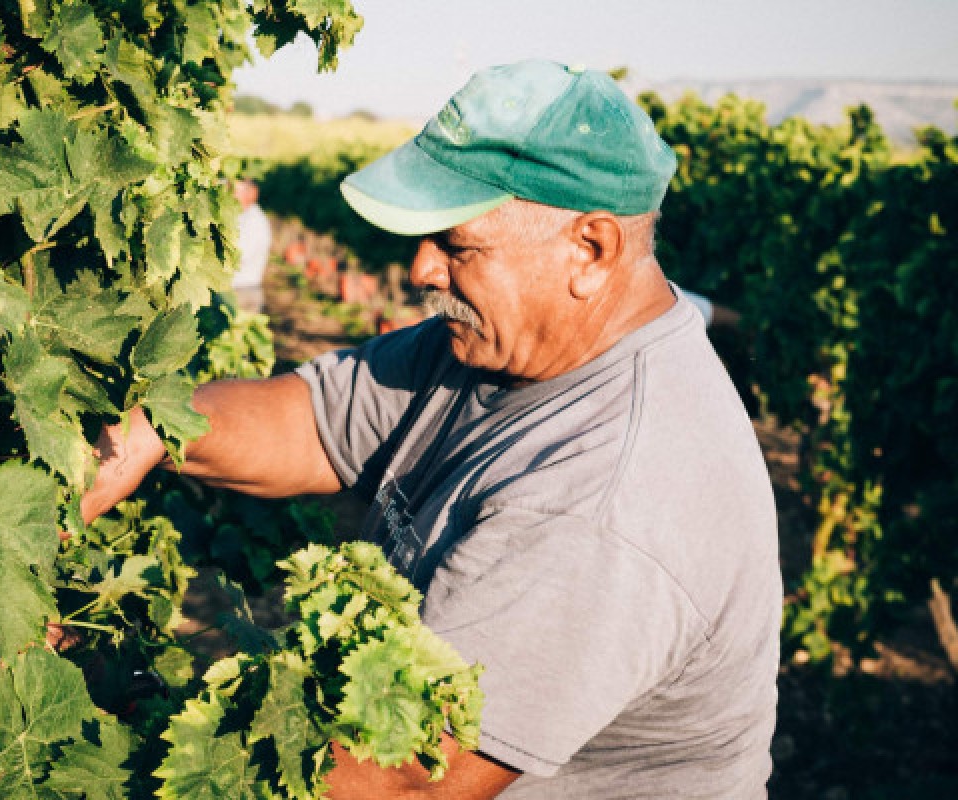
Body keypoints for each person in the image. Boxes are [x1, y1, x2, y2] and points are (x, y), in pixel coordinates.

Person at [83, 60, 781, 799]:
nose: (421, 268)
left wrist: (119, 702)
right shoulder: (495, 345)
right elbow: (311, 421)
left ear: (590, 249)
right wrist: (145, 433)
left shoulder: (605, 499)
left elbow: (397, 780)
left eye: (457, 244)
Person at [230, 178, 273, 312]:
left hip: (243, 291)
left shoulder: (256, 222)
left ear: (251, 194)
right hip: (236, 289)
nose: (230, 194)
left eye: (236, 191)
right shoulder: (241, 216)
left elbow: (240, 255)